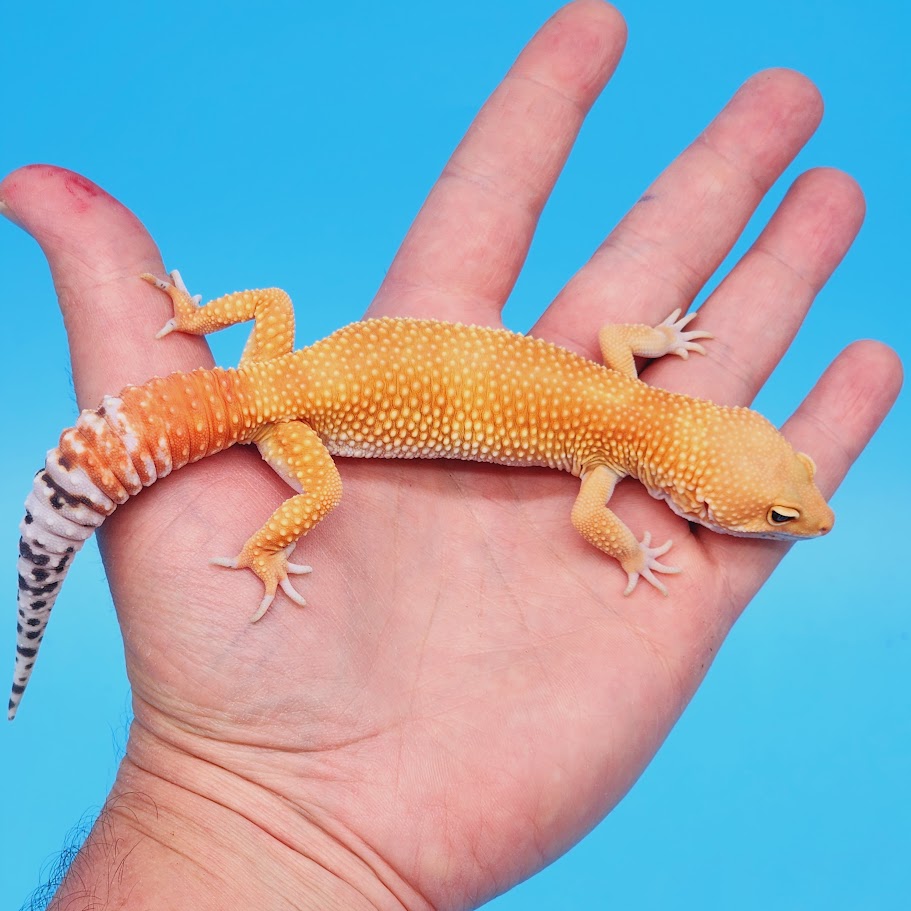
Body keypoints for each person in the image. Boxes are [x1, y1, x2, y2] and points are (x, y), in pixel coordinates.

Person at [1, 1, 901, 908]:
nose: (801, 522)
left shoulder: (629, 386)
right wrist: (631, 550)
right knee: (322, 499)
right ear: (695, 493)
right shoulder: (613, 460)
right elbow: (594, 518)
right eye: (781, 514)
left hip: (279, 367)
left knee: (271, 299)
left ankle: (196, 339)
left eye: (785, 505)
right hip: (288, 418)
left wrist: (200, 322)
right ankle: (264, 545)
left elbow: (619, 336)